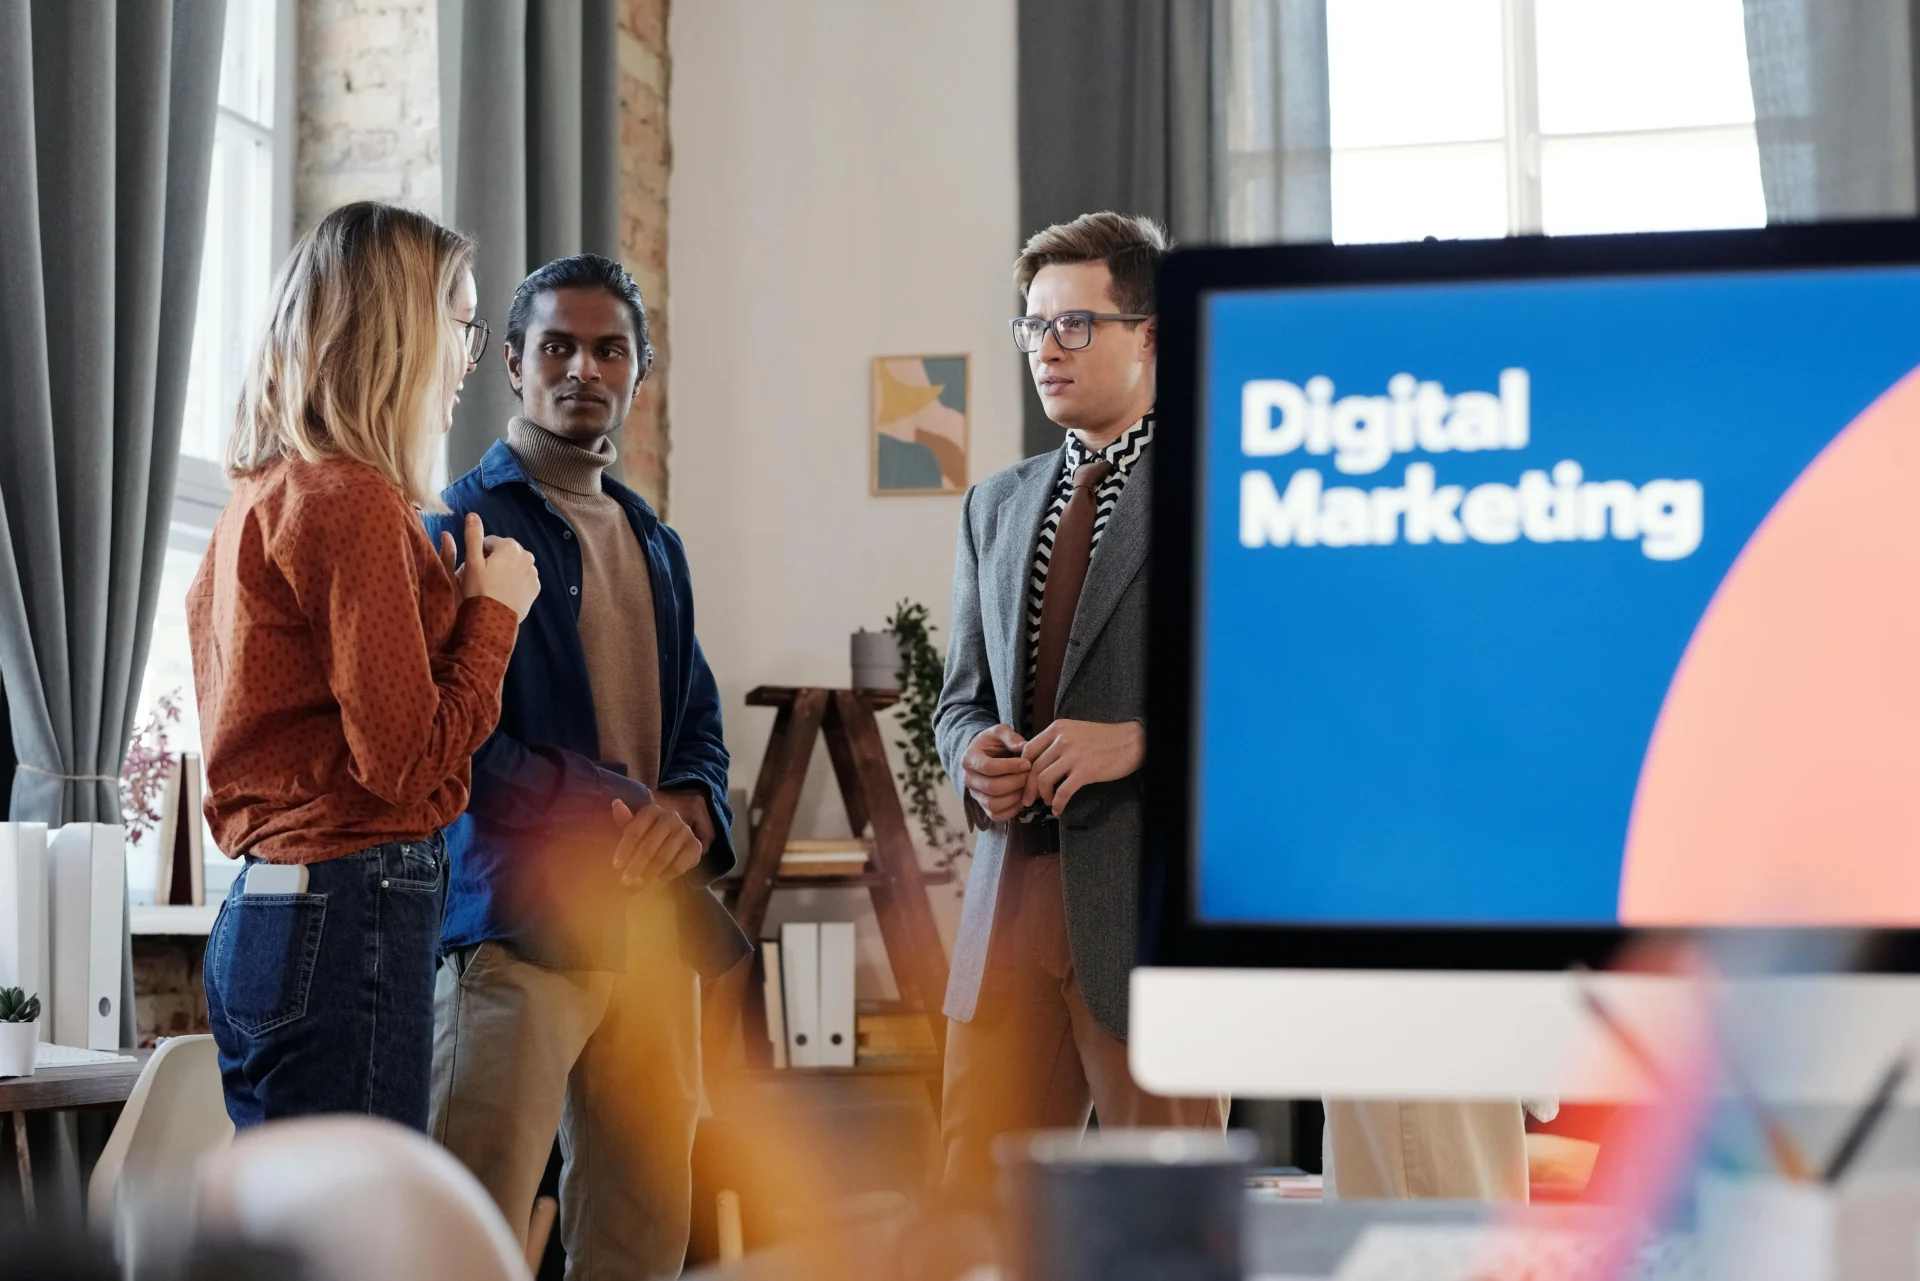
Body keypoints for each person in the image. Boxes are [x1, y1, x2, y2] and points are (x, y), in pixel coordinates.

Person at [425, 254, 749, 1277]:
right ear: (512, 363)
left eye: (610, 350)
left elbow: (697, 722)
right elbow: (456, 742)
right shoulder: (458, 525)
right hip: (517, 927)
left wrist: (688, 808)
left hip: (653, 932)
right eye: (557, 346)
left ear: (639, 370)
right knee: (465, 1225)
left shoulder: (656, 541)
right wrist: (611, 804)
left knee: (641, 1235)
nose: (583, 368)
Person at [190, 201, 540, 1130]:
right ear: (401, 332)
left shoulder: (257, 499)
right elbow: (405, 762)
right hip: (349, 910)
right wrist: (495, 616)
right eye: (462, 325)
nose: (469, 359)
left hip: (264, 916)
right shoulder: (352, 499)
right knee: (362, 1213)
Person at [933, 211, 1225, 1196]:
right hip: (1005, 906)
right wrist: (971, 754)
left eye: (1075, 325)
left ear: (1150, 335)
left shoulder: (1219, 486)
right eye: (1033, 326)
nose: (1046, 350)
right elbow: (959, 700)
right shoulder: (994, 504)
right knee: (972, 1220)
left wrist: (1140, 740)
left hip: (1146, 916)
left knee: (1162, 1226)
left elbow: (1272, 702)